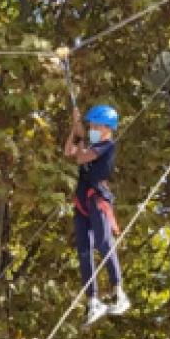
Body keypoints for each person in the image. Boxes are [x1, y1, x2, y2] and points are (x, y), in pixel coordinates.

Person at [64, 104, 129, 326]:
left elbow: (81, 158)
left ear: (105, 127)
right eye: (90, 124)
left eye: (94, 125)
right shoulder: (92, 144)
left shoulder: (107, 145)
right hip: (82, 200)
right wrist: (75, 129)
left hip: (97, 198)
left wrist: (80, 136)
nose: (91, 128)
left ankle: (119, 291)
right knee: (83, 250)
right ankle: (93, 300)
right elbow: (69, 152)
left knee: (103, 242)